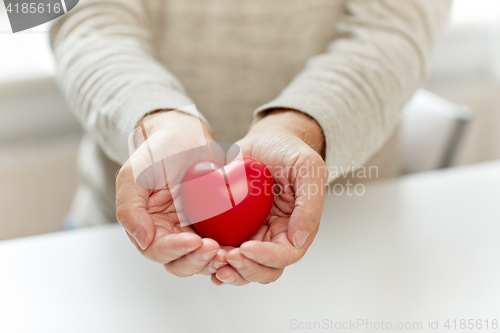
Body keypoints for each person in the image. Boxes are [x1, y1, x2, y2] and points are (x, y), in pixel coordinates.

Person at [50, 0, 451, 286]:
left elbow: (395, 32)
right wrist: (155, 121)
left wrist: (298, 129)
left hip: (350, 251)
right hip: (126, 241)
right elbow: (72, 18)